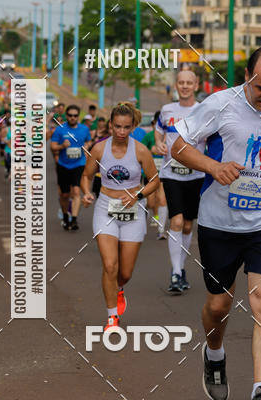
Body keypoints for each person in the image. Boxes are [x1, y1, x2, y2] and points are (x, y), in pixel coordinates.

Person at [171, 46, 261, 400]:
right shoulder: (220, 104)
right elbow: (178, 146)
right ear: (247, 76)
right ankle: (214, 353)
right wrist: (213, 167)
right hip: (220, 222)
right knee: (219, 305)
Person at [81, 102, 159, 331]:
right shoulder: (99, 149)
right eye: (117, 126)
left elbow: (155, 180)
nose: (121, 132)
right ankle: (112, 317)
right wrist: (87, 193)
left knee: (124, 273)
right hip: (106, 207)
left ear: (133, 127)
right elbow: (86, 176)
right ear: (111, 125)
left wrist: (138, 195)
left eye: (126, 127)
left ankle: (119, 288)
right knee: (110, 265)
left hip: (132, 210)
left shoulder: (140, 151)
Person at [154, 70, 204, 294]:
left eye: (188, 83)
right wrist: (159, 144)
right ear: (176, 85)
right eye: (181, 82)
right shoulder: (167, 110)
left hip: (196, 175)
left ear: (196, 85)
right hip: (171, 174)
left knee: (187, 225)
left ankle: (181, 269)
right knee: (176, 221)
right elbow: (159, 132)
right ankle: (175, 273)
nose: (184, 86)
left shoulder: (203, 110)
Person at [50, 104, 92, 231]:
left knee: (76, 191)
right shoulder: (60, 130)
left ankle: (74, 219)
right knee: (64, 194)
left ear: (78, 116)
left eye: (75, 115)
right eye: (70, 115)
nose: (72, 117)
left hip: (79, 164)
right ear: (66, 116)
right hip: (63, 165)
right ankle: (65, 216)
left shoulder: (84, 129)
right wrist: (62, 146)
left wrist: (87, 146)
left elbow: (89, 141)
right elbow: (52, 146)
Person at [141, 111, 168, 240]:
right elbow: (140, 151)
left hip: (164, 173)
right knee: (151, 201)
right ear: (153, 124)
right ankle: (147, 213)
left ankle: (160, 229)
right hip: (150, 173)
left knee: (161, 199)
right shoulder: (149, 136)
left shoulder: (170, 136)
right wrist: (149, 151)